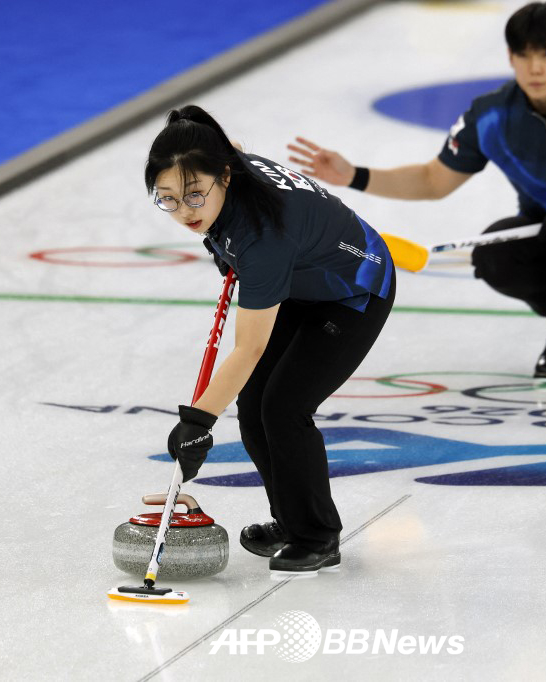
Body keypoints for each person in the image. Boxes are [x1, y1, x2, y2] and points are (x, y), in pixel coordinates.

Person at [288, 1, 546, 382]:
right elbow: (433, 180)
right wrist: (355, 175)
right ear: (510, 57)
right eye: (524, 55)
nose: (535, 67)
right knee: (492, 256)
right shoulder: (491, 115)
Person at [147, 105, 395, 574]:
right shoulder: (226, 165)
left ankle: (318, 536)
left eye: (196, 195)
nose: (185, 212)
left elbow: (249, 347)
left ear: (225, 176)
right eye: (169, 199)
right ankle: (292, 521)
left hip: (354, 290)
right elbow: (234, 146)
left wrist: (197, 421)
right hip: (300, 282)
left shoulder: (263, 238)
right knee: (256, 403)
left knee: (283, 406)